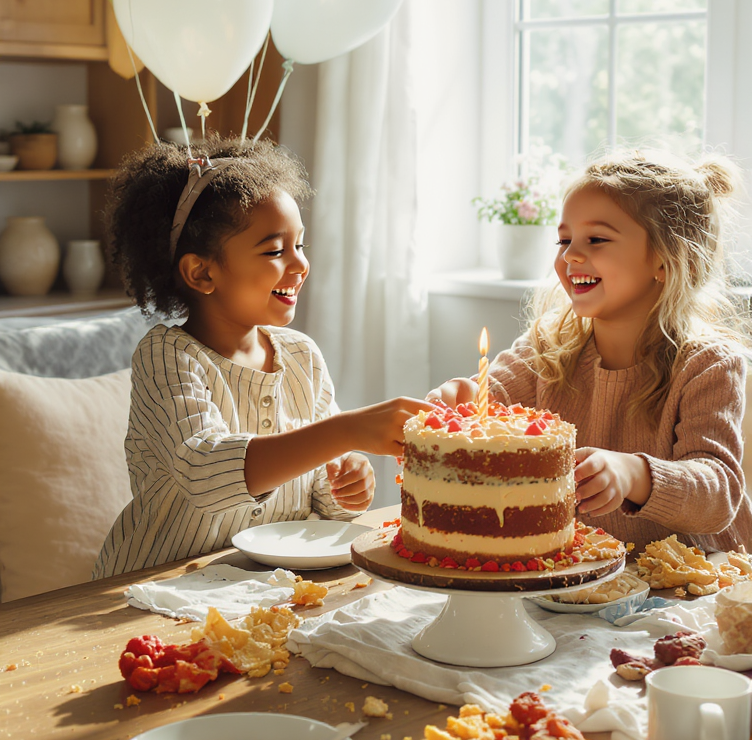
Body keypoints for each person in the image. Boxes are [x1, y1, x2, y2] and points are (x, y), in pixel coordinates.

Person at [93, 138, 425, 578]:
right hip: (149, 587)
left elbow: (324, 498)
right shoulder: (167, 356)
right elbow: (206, 472)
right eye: (274, 250)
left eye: (300, 246)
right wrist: (348, 430)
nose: (301, 264)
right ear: (202, 272)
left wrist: (349, 480)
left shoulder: (301, 356)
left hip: (259, 589)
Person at [430, 150, 752, 553]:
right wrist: (454, 402)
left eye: (595, 239)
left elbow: (718, 494)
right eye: (564, 240)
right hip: (579, 582)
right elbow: (486, 401)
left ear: (667, 259)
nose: (569, 256)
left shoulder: (708, 364)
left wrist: (634, 474)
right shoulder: (548, 349)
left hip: (691, 592)